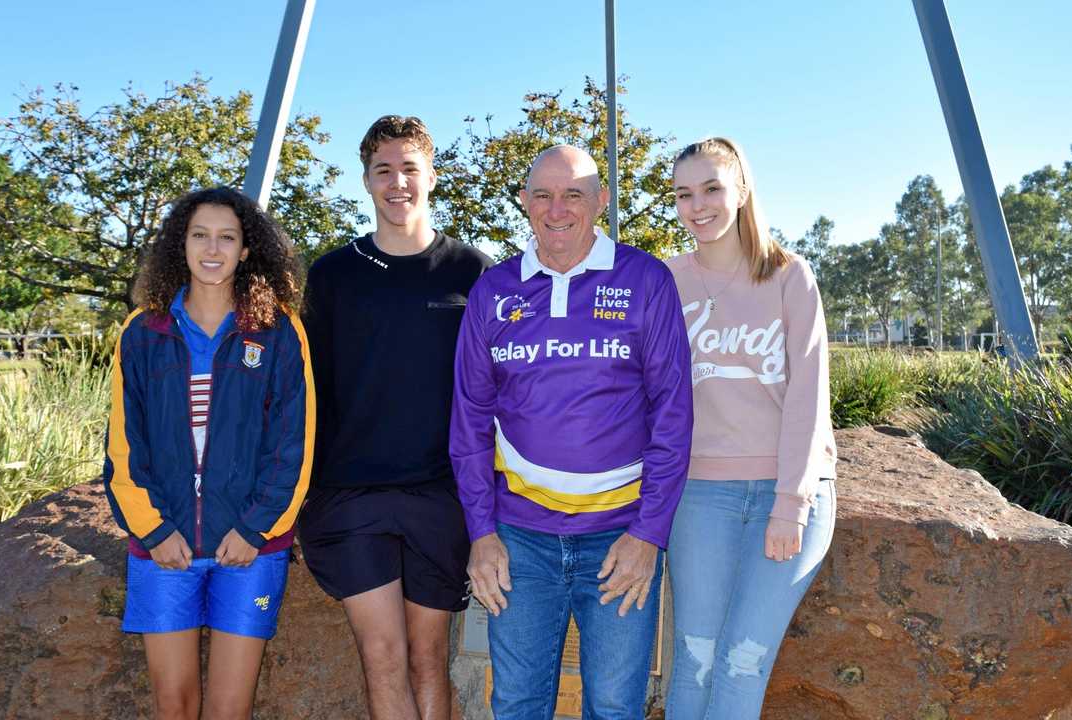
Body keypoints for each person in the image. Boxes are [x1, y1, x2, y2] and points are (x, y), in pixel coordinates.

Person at [450, 145, 693, 719]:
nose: (556, 209)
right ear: (524, 202)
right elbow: (469, 422)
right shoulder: (493, 291)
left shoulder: (646, 281)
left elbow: (674, 414)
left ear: (601, 200)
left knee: (614, 707)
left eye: (573, 194)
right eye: (542, 194)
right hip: (520, 542)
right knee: (516, 704)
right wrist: (481, 533)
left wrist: (649, 534)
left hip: (620, 541)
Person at [297, 115, 491, 720]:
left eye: (410, 168)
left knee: (428, 656)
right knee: (382, 655)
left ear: (432, 176)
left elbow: (495, 392)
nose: (397, 182)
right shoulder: (332, 275)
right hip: (349, 493)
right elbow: (307, 390)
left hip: (442, 494)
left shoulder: (474, 271)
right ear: (366, 180)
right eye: (384, 170)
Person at [102, 186, 313, 720]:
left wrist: (255, 529)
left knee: (228, 709)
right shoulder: (142, 331)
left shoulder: (278, 331)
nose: (212, 249)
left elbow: (295, 444)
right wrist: (153, 532)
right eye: (200, 235)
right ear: (182, 245)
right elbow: (124, 447)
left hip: (249, 551)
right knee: (173, 706)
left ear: (246, 250)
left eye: (227, 237)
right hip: (164, 548)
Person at [663, 137, 837, 719]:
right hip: (700, 495)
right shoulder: (667, 283)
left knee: (742, 662)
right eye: (684, 194)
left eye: (711, 188)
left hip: (787, 495)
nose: (698, 205)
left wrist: (790, 503)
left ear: (741, 190)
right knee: (693, 660)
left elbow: (809, 400)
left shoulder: (789, 277)